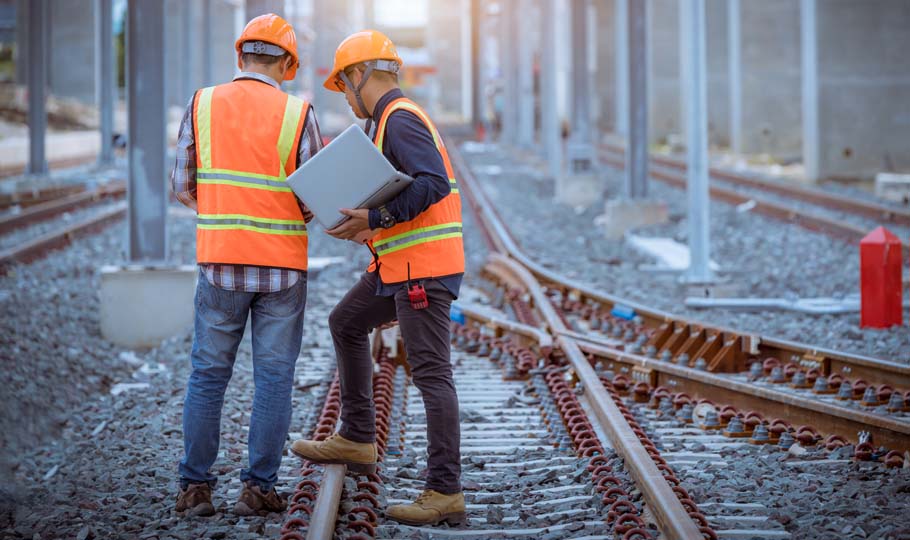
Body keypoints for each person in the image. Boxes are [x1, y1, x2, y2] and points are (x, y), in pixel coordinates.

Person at [289, 29, 466, 527]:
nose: (344, 97)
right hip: (398, 267)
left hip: (422, 271)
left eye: (343, 86)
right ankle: (359, 437)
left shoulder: (400, 118)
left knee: (432, 373)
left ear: (359, 74)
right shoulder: (388, 120)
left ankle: (445, 491)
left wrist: (376, 219)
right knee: (346, 322)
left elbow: (431, 184)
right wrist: (366, 220)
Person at [170, 13, 323, 517]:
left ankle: (195, 489)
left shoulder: (203, 103)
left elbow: (181, 184)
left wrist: (223, 213)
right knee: (274, 379)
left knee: (208, 374)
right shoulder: (299, 112)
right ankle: (259, 487)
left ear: (241, 56)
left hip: (219, 264)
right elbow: (314, 198)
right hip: (282, 268)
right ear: (287, 64)